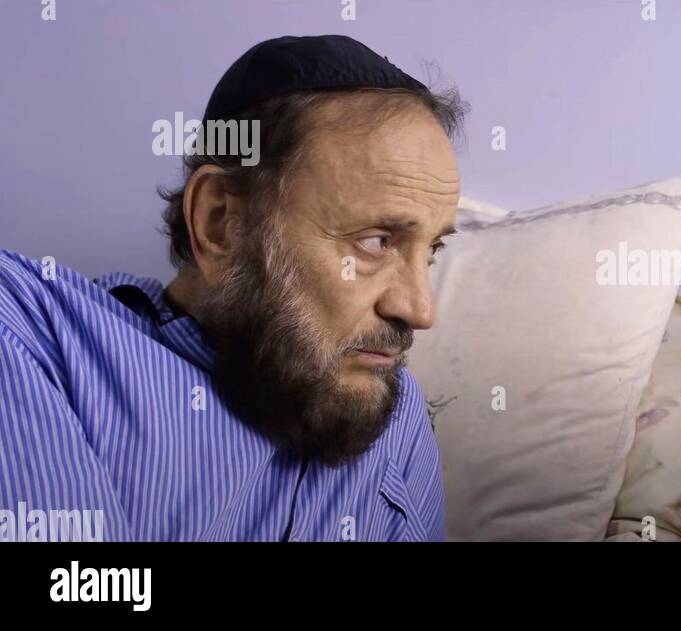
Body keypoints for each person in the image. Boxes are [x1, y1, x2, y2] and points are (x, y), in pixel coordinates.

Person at [0, 35, 465, 541]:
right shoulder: (33, 335)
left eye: (432, 250)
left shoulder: (395, 416)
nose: (420, 310)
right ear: (221, 222)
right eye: (376, 240)